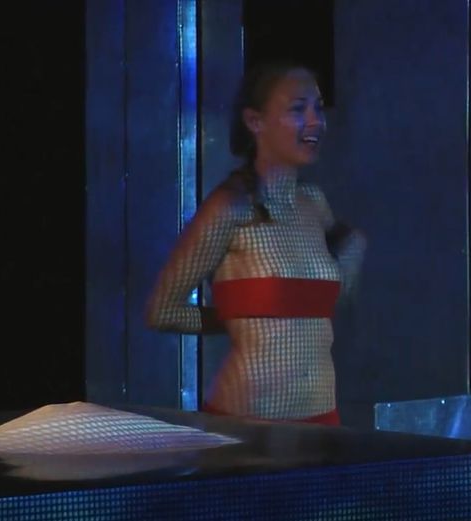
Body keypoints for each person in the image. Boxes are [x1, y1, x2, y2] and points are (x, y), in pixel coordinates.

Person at [145, 62, 365, 426]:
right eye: (298, 109)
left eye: (318, 107)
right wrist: (238, 319)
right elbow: (161, 312)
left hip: (323, 421)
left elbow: (325, 305)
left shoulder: (315, 204)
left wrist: (355, 248)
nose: (316, 121)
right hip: (248, 425)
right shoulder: (229, 208)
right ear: (255, 121)